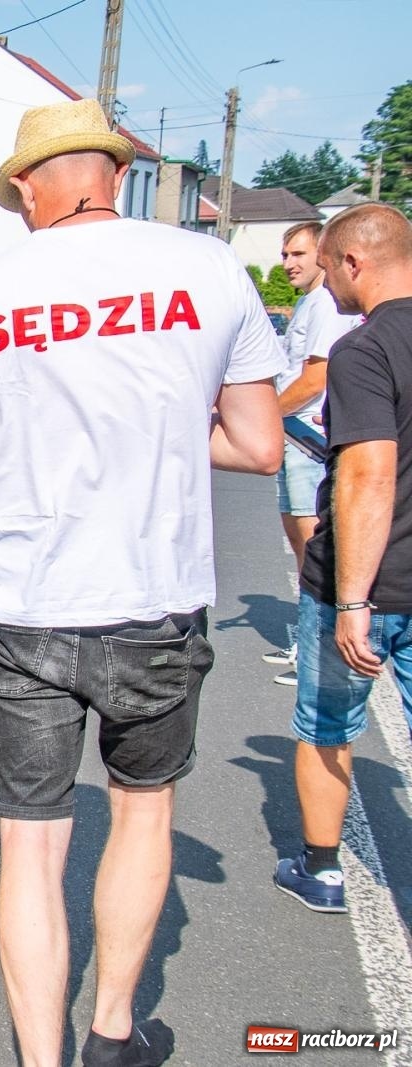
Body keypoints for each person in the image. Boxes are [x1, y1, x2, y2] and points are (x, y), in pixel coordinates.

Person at [0, 98, 284, 1067]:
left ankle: (40, 1057)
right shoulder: (209, 270)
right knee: (141, 808)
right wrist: (151, 425)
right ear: (112, 173)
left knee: (30, 839)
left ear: (30, 185)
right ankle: (111, 1030)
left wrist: (15, 438)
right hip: (154, 599)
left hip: (22, 605)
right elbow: (258, 441)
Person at [273, 203, 412, 916]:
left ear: (355, 262)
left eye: (327, 269)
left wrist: (353, 599)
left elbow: (365, 474)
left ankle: (321, 869)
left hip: (365, 577)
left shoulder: (366, 348)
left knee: (328, 722)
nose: (326, 285)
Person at [264, 222, 362, 685]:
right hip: (296, 437)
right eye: (285, 254)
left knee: (312, 550)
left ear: (324, 252)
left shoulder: (325, 304)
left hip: (307, 439)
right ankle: (310, 644)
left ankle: (317, 654)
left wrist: (265, 415)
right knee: (304, 549)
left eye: (298, 253)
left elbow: (316, 378)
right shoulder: (312, 302)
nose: (289, 263)